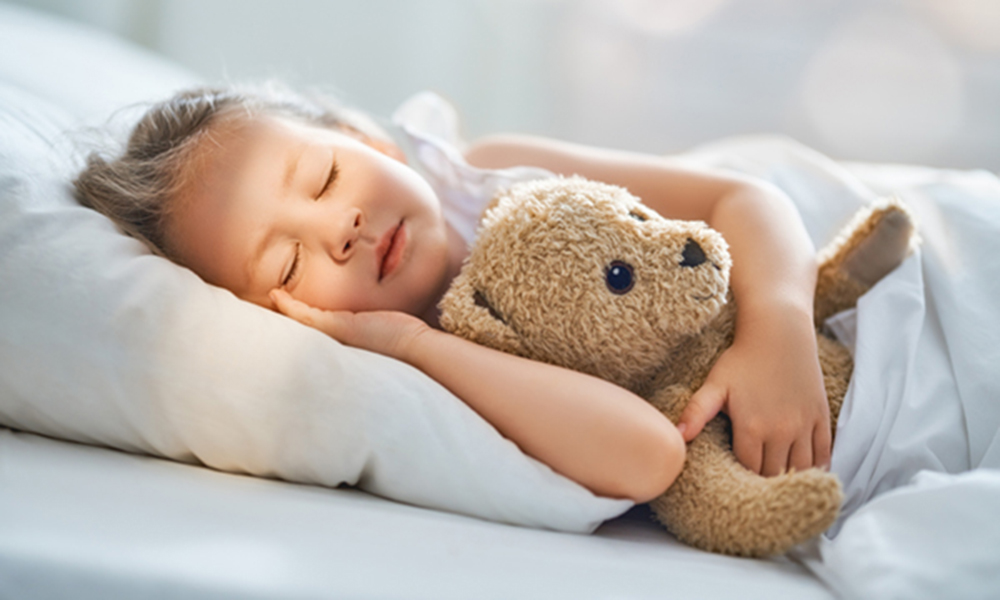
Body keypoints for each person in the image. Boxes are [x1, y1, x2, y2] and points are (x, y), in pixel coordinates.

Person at [74, 84, 830, 505]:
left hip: (829, 318)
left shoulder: (494, 173)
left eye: (326, 178)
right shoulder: (428, 372)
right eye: (288, 263)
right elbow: (647, 455)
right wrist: (413, 345)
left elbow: (744, 200)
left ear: (368, 142)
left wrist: (779, 331)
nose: (342, 227)